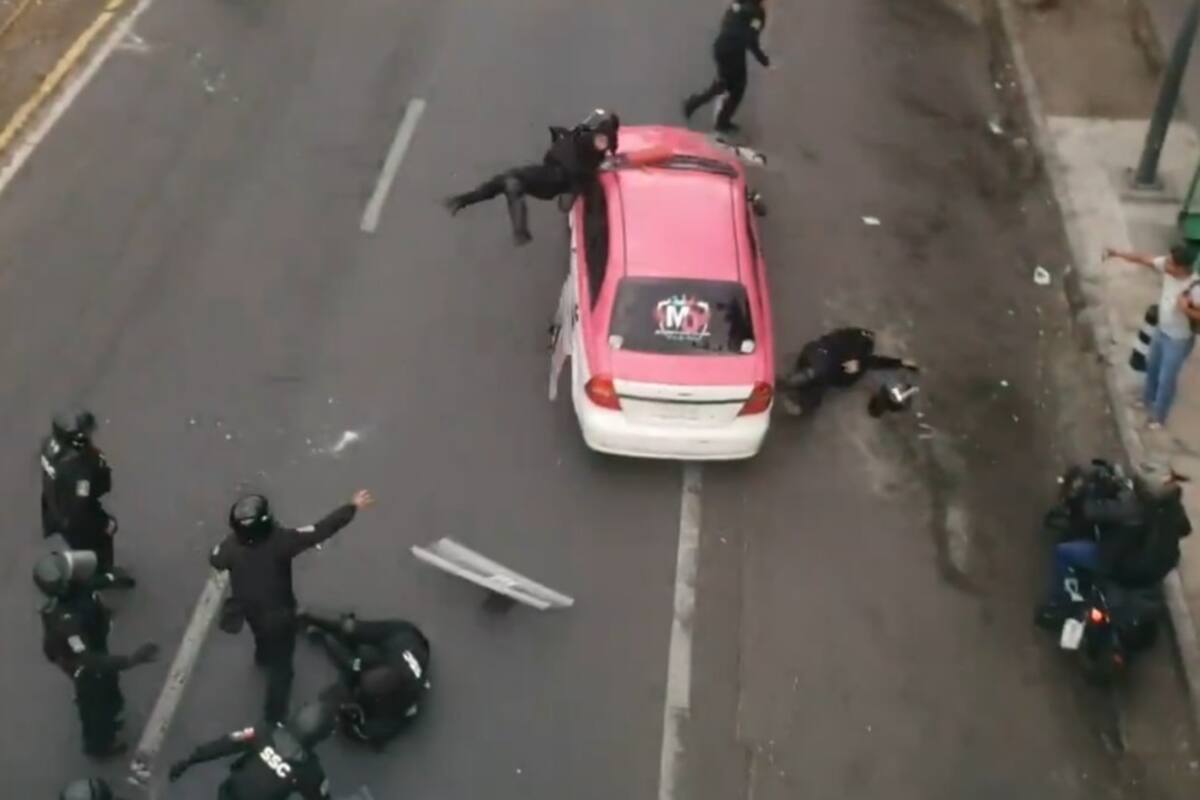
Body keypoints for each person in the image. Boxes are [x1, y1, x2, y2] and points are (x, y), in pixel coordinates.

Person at [210, 490, 374, 723]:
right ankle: (273, 720)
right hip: (280, 616)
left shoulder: (230, 546)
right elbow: (320, 530)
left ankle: (262, 658)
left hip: (252, 613)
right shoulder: (281, 542)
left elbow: (215, 559)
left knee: (263, 640)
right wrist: (352, 507)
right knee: (282, 671)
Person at [35, 550, 159, 757]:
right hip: (87, 668)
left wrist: (111, 578)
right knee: (95, 706)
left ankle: (110, 717)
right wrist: (130, 660)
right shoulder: (67, 622)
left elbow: (90, 584)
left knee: (109, 692)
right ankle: (98, 747)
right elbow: (88, 659)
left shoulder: (74, 590)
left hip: (97, 648)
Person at [443, 110, 620, 245]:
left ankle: (520, 230)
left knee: (513, 182)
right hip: (557, 175)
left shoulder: (594, 149)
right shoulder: (584, 138)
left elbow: (594, 166)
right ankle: (465, 201)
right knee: (506, 181)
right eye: (600, 139)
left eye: (604, 142)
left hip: (562, 179)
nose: (601, 142)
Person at [299, 609, 431, 748]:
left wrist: (352, 721)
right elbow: (353, 663)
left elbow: (371, 733)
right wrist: (316, 622)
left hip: (407, 655)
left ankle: (324, 635)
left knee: (365, 729)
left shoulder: (402, 701)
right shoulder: (399, 640)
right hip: (404, 636)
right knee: (350, 630)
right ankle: (313, 620)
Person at [1103, 245, 1200, 428]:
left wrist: (1186, 309)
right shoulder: (1169, 269)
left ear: (1182, 268)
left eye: (1171, 263)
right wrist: (1117, 253)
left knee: (1166, 379)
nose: (1166, 264)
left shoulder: (1195, 288)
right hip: (1161, 331)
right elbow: (1144, 258)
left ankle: (1158, 416)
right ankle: (1146, 400)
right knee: (1152, 368)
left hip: (1178, 340)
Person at [167, 698, 337, 799]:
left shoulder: (264, 732)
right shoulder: (310, 771)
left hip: (230, 792)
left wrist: (191, 760)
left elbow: (226, 744)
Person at [40, 409, 134, 588]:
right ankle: (104, 577)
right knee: (98, 549)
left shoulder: (51, 446)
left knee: (80, 548)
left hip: (56, 508)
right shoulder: (80, 471)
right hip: (74, 519)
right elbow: (80, 510)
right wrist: (104, 524)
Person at [779, 327, 918, 416]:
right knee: (816, 371)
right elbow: (865, 344)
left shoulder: (863, 365)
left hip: (826, 373)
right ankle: (784, 383)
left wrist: (901, 363)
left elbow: (873, 362)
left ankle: (794, 392)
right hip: (819, 356)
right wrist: (855, 358)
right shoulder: (856, 345)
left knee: (813, 400)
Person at [682, 0, 771, 134]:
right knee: (737, 89)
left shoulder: (736, 4)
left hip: (720, 46)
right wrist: (765, 61)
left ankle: (692, 103)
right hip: (734, 53)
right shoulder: (757, 14)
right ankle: (722, 123)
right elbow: (751, 40)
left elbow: (726, 22)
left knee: (724, 82)